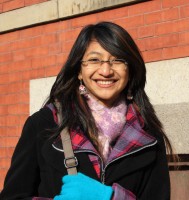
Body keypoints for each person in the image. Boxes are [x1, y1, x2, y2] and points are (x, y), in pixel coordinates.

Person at [0, 21, 174, 200]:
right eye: (94, 60)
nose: (106, 71)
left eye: (117, 60)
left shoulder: (148, 135)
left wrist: (111, 197)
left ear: (129, 70)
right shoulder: (43, 124)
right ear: (79, 71)